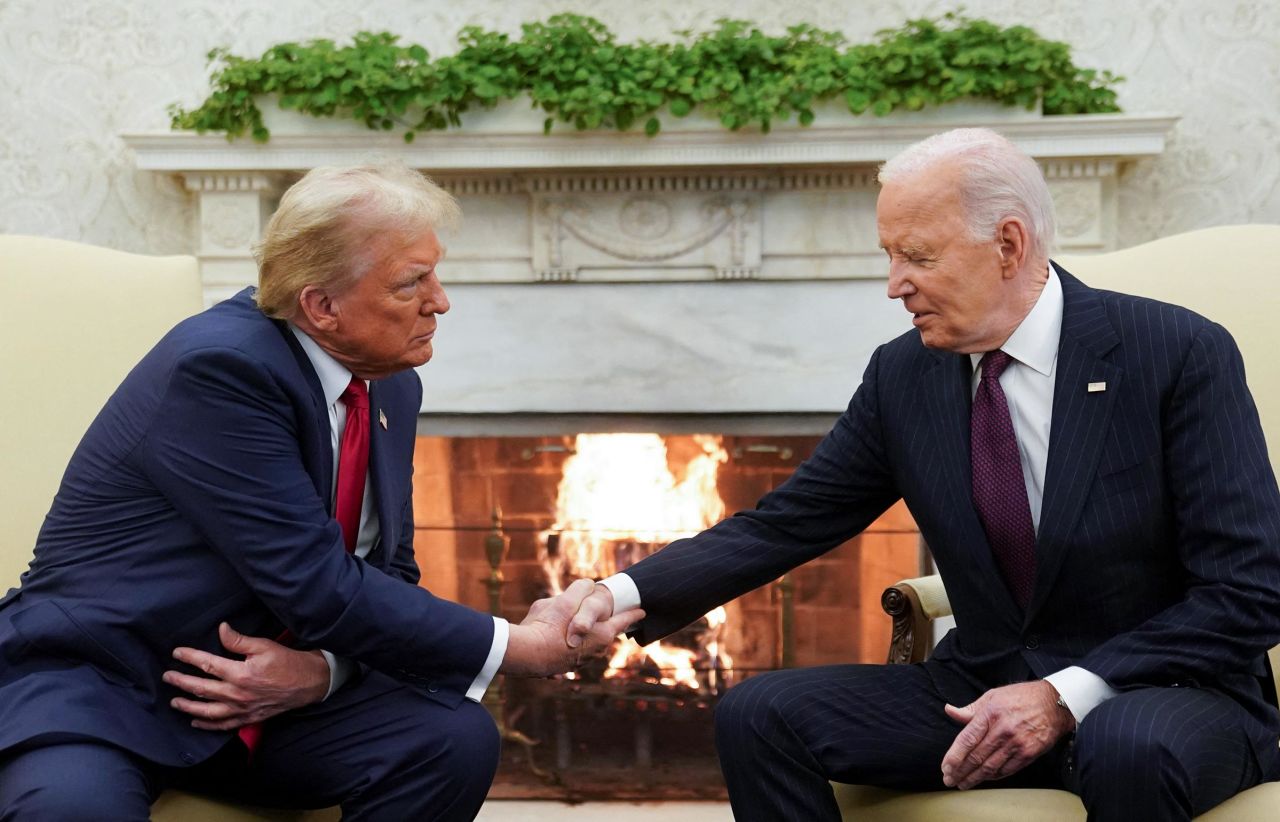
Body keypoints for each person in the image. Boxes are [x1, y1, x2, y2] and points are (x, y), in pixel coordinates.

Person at [568, 128, 1280, 821]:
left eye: (917, 256)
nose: (893, 285)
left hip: (1161, 692)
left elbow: (1252, 586)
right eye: (889, 255)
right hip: (982, 689)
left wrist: (1065, 694)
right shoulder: (905, 374)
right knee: (759, 714)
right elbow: (791, 521)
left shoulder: (1176, 353)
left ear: (1008, 244)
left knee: (1126, 745)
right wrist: (618, 591)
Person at [0, 162, 640, 821]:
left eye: (434, 274)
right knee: (71, 809)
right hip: (111, 686)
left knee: (450, 739)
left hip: (267, 703)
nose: (440, 301)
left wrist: (323, 674)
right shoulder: (221, 370)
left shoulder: (389, 382)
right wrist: (517, 644)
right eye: (411, 283)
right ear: (322, 306)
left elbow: (388, 571)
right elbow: (316, 582)